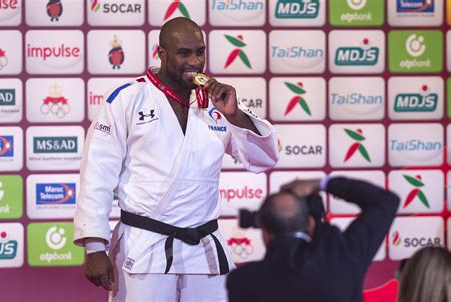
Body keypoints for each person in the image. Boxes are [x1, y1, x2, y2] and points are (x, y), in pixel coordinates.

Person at [73, 17, 278, 302]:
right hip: (145, 246)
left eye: (200, 52)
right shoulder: (128, 98)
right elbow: (97, 173)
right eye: (184, 53)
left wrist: (235, 115)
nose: (194, 62)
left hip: (203, 246)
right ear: (162, 53)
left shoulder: (218, 103)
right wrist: (94, 247)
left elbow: (265, 159)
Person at [227, 176, 399, 302]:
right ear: (310, 223)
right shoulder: (343, 259)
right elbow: (385, 201)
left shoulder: (241, 282)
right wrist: (321, 183)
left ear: (264, 232)